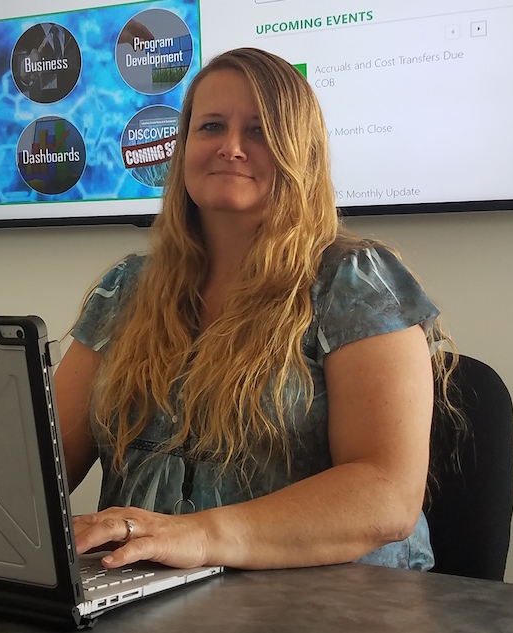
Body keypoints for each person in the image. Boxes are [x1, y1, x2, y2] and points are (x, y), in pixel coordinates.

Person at [54, 47, 459, 573]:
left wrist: (196, 536)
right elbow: (43, 461)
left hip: (337, 604)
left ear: (300, 152)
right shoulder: (127, 287)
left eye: (260, 130)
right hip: (142, 594)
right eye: (211, 126)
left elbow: (386, 497)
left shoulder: (354, 280)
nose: (231, 147)